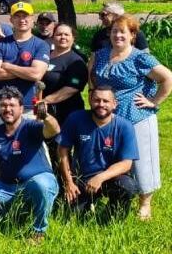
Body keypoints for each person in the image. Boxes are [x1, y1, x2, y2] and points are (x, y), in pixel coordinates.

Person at [89, 14, 172, 220]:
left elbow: (167, 77)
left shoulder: (140, 57)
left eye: (123, 32)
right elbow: (91, 77)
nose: (118, 35)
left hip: (136, 116)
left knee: (142, 160)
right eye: (114, 31)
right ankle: (115, 197)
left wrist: (154, 101)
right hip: (107, 118)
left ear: (132, 35)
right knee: (111, 158)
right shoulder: (100, 55)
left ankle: (145, 204)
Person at [0, 87, 60, 242]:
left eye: (12, 105)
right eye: (3, 105)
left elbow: (54, 130)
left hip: (36, 181)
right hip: (7, 186)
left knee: (41, 186)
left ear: (21, 108)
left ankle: (38, 232)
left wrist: (46, 116)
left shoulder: (31, 126)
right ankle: (15, 217)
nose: (7, 109)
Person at [57, 86, 139, 219]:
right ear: (90, 100)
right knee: (72, 218)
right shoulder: (75, 119)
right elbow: (62, 150)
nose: (101, 104)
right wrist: (69, 182)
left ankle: (112, 218)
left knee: (127, 186)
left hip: (111, 178)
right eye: (97, 100)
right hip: (82, 179)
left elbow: (126, 164)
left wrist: (100, 177)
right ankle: (88, 203)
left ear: (114, 104)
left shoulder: (125, 126)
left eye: (106, 101)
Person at [0, 2, 50, 125]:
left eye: (25, 16)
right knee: (1, 142)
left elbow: (36, 74)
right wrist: (26, 71)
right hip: (2, 105)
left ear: (32, 19)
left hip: (28, 106)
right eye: (17, 16)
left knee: (28, 143)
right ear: (11, 19)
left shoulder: (41, 45)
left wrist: (8, 66)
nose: (22, 20)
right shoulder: (1, 44)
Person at [41, 24, 87, 130]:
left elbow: (71, 88)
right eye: (59, 34)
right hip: (43, 109)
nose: (63, 37)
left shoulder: (76, 61)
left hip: (66, 112)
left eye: (66, 34)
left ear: (73, 38)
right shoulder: (44, 56)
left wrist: (46, 100)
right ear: (53, 37)